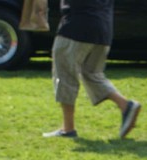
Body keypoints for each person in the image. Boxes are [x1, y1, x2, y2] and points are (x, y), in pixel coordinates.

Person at [44, 0, 140, 139]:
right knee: (92, 74)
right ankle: (125, 105)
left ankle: (68, 128)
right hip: (103, 29)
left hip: (75, 28)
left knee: (65, 75)